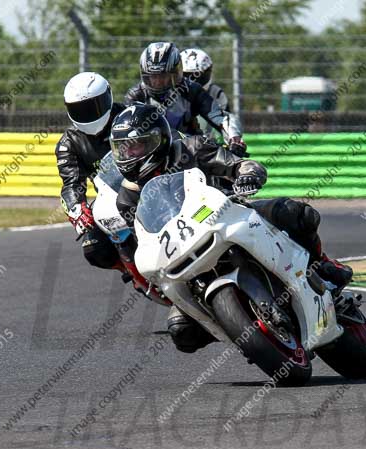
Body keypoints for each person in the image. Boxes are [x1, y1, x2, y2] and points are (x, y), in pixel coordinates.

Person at [109, 104, 353, 353]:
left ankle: (322, 263)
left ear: (157, 140)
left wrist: (245, 174)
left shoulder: (191, 148)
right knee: (181, 330)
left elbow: (238, 164)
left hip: (230, 214)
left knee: (298, 214)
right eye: (123, 148)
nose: (129, 154)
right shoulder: (127, 198)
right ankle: (237, 327)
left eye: (136, 145)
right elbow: (145, 238)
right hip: (185, 251)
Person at [56, 72, 127, 273]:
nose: (89, 115)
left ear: (108, 97)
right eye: (81, 110)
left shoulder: (130, 115)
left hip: (149, 183)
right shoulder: (68, 144)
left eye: (93, 107)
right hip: (112, 198)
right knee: (93, 247)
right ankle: (131, 272)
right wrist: (77, 208)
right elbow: (71, 184)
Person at [124, 41, 247, 157]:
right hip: (150, 154)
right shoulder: (136, 95)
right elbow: (126, 131)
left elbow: (221, 116)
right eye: (153, 77)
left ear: (176, 72)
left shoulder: (191, 90)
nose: (158, 82)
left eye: (164, 76)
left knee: (227, 172)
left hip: (191, 153)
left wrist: (234, 139)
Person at [180, 47, 242, 144]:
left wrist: (233, 139)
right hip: (180, 143)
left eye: (196, 75)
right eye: (187, 76)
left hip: (209, 145)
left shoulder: (215, 92)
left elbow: (225, 118)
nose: (192, 81)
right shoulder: (173, 94)